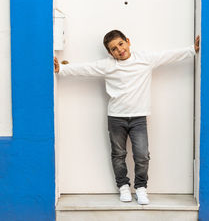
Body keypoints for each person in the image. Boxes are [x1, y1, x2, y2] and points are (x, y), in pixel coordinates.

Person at [54, 30, 200, 205]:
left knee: (142, 155)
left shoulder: (144, 59)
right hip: (116, 118)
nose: (119, 50)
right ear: (110, 53)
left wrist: (192, 49)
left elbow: (167, 56)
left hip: (138, 118)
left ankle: (141, 188)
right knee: (118, 154)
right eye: (114, 49)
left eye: (121, 44)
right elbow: (86, 68)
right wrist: (62, 68)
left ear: (128, 42)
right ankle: (123, 186)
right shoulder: (108, 65)